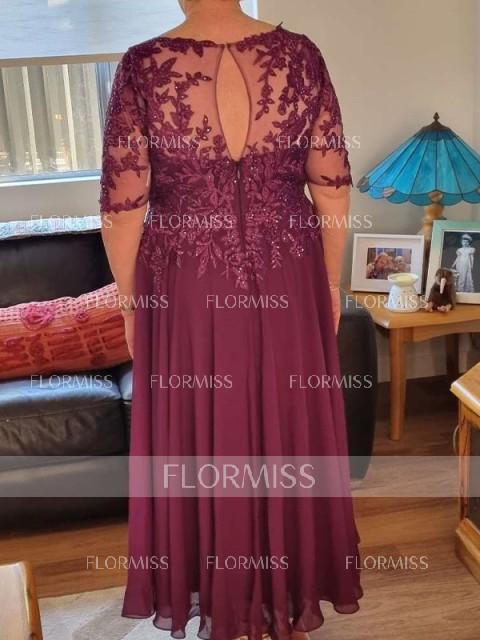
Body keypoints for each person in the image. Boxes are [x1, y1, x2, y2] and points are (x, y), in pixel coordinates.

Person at [99, 1, 362, 639]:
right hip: (288, 269)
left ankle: (225, 600)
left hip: (187, 278)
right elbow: (331, 186)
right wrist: (328, 286)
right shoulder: (300, 55)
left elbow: (123, 206)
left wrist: (131, 304)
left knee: (204, 436)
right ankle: (286, 594)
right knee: (286, 428)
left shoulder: (143, 66)